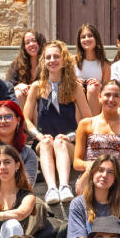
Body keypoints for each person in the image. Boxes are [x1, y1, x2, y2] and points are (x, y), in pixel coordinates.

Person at [24, 40, 91, 205]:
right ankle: (52, 188)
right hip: (43, 143)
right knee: (48, 142)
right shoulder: (36, 87)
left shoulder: (75, 87)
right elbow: (25, 119)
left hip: (68, 143)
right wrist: (38, 136)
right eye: (48, 57)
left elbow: (88, 121)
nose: (52, 60)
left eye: (56, 56)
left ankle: (64, 186)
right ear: (43, 61)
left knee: (59, 142)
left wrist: (72, 136)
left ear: (64, 60)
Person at [73, 80, 120, 192]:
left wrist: (111, 173)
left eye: (116, 96)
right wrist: (88, 165)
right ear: (99, 97)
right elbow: (76, 162)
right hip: (90, 176)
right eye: (107, 95)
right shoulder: (86, 123)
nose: (111, 100)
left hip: (116, 177)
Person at [74, 23, 111, 115]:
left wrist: (99, 85)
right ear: (79, 41)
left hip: (95, 97)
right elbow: (64, 81)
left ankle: (93, 124)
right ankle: (79, 127)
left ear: (96, 39)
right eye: (83, 37)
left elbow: (107, 89)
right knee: (76, 87)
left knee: (93, 88)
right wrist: (74, 81)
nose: (86, 39)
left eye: (90, 36)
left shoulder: (105, 64)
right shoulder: (72, 60)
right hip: (77, 95)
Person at [7, 29, 46, 106]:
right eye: (27, 42)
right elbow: (7, 88)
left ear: (40, 42)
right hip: (23, 102)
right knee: (18, 94)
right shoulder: (16, 64)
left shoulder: (48, 62)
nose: (31, 44)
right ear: (24, 47)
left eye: (34, 40)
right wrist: (19, 86)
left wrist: (33, 89)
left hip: (42, 99)